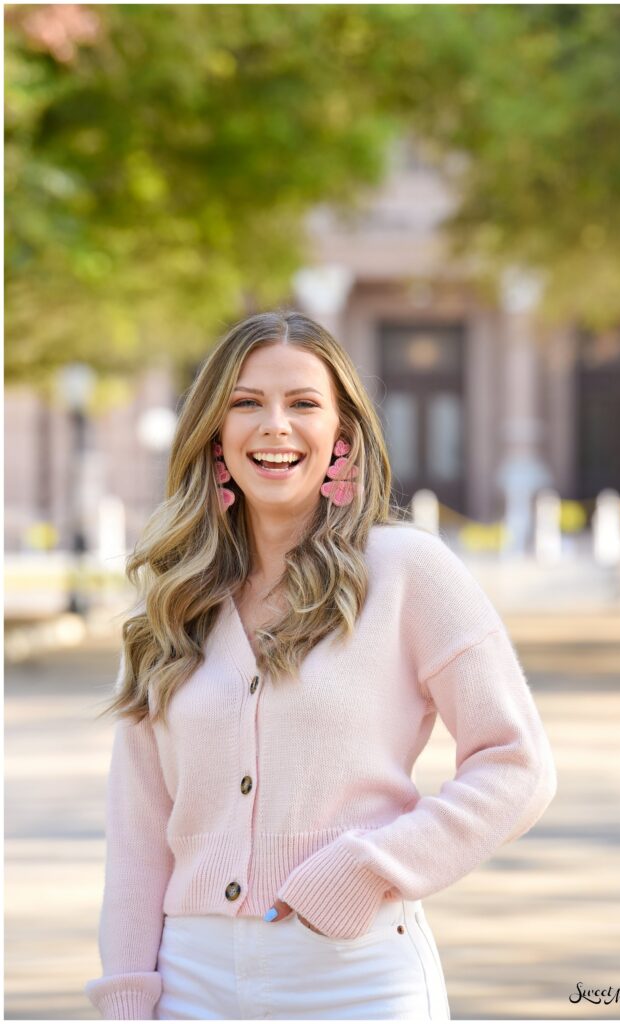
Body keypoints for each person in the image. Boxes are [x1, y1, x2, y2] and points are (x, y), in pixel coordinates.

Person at [84, 308, 557, 1021]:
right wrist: (125, 997)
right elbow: (139, 835)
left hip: (356, 976)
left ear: (343, 435)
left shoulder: (407, 572)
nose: (275, 425)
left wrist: (373, 865)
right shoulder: (175, 604)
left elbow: (518, 765)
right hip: (190, 984)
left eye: (303, 403)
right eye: (247, 404)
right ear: (215, 435)